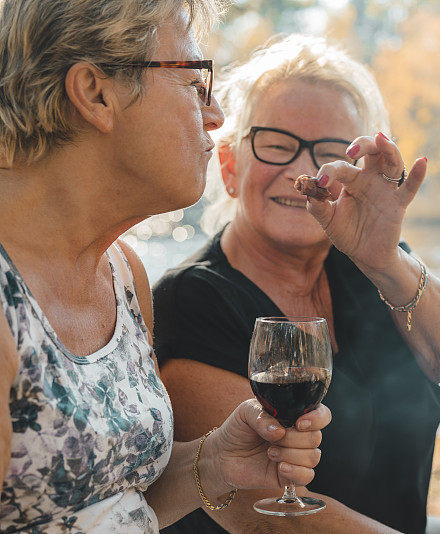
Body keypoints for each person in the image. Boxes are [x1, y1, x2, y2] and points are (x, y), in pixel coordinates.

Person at [0, 3, 330, 532]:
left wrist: (219, 459)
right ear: (95, 93)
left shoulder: (123, 276)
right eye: (194, 80)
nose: (216, 115)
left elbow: (114, 500)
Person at [153, 35, 440, 534]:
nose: (301, 171)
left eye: (331, 152)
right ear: (229, 167)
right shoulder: (189, 301)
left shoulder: (369, 267)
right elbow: (271, 519)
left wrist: (385, 260)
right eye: (275, 143)